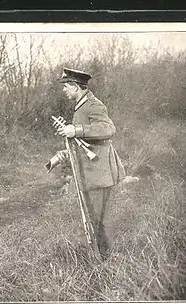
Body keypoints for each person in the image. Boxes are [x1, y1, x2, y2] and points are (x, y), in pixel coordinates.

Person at [54, 68, 125, 260]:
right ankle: (100, 259)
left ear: (76, 87)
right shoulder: (81, 104)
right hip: (90, 173)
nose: (64, 90)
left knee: (97, 220)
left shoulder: (93, 105)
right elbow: (84, 141)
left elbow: (108, 129)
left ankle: (106, 262)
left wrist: (76, 130)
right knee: (93, 218)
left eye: (67, 86)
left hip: (99, 173)